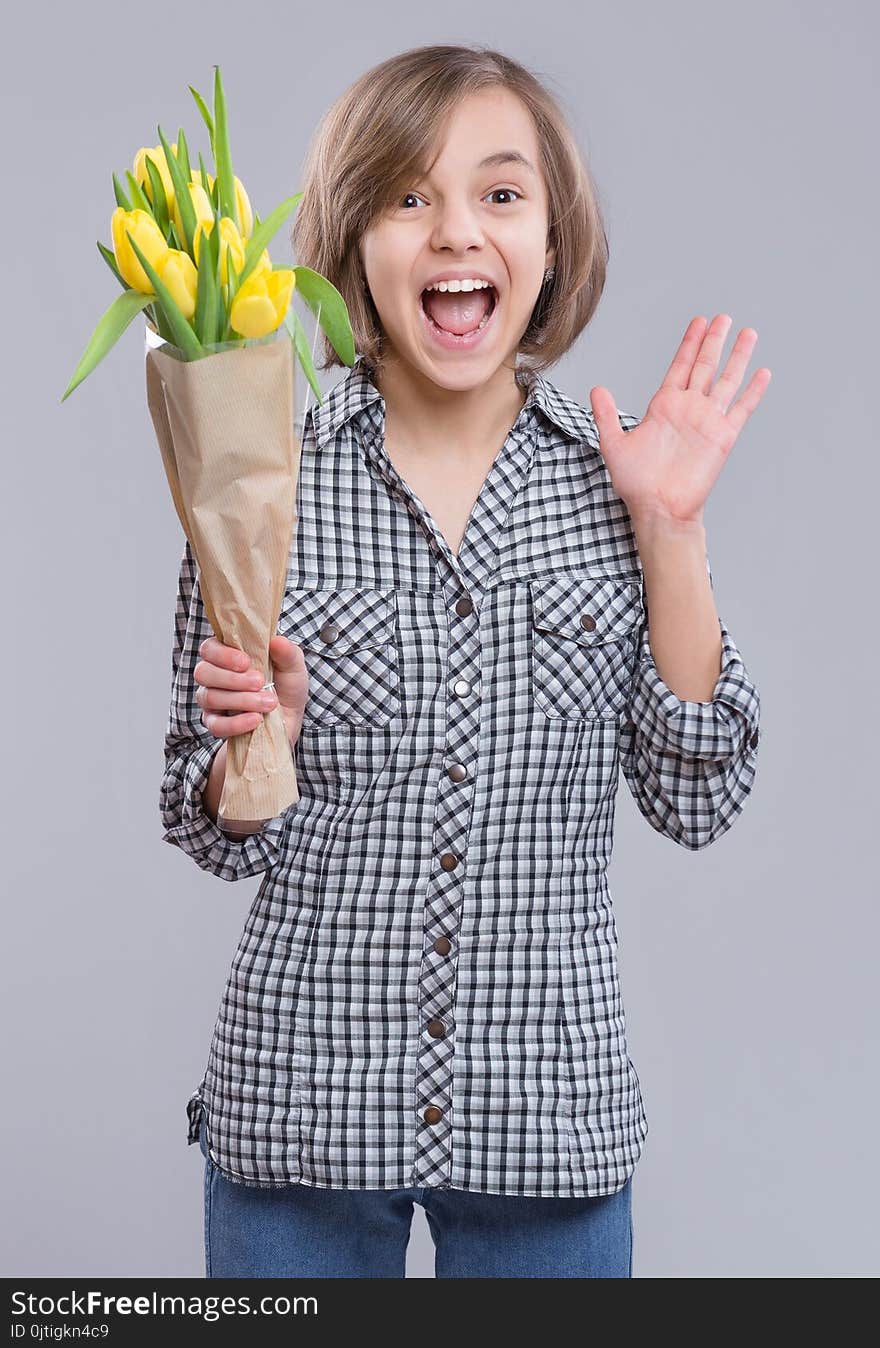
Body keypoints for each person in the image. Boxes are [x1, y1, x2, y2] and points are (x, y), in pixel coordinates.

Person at [160, 43, 768, 1279]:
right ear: (352, 238)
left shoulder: (621, 483)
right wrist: (246, 744)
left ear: (552, 241)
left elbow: (696, 796)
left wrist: (673, 529)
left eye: (499, 194)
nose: (456, 233)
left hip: (548, 1120)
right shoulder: (257, 475)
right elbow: (208, 823)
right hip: (301, 1110)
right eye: (407, 196)